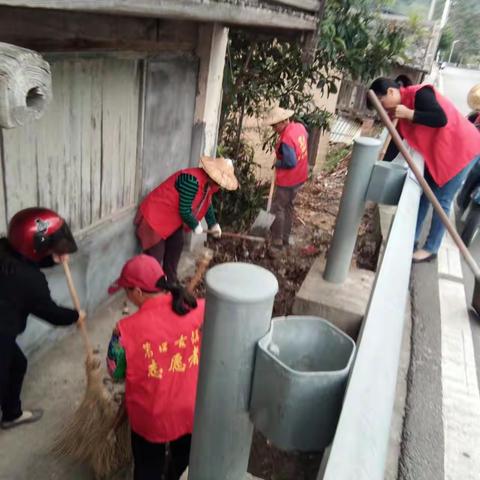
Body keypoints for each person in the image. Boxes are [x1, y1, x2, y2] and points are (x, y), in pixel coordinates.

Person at [106, 254, 204, 480]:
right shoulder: (194, 309)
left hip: (151, 416)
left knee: (148, 468)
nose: (127, 297)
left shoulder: (125, 331)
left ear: (138, 292)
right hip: (189, 409)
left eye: (127, 292)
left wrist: (115, 342)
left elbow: (116, 373)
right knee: (183, 462)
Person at [368, 77, 480, 263]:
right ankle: (410, 239)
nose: (383, 108)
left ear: (391, 92)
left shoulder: (419, 93)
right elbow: (396, 143)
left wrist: (410, 114)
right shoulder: (397, 112)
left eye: (381, 102)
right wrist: (380, 168)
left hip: (461, 148)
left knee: (441, 198)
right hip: (439, 154)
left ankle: (431, 249)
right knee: (424, 195)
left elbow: (440, 118)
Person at [0, 207, 83, 429]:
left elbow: (28, 259)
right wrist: (76, 315)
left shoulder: (5, 249)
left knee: (17, 364)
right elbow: (52, 313)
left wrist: (53, 258)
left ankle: (11, 413)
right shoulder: (29, 280)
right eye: (50, 246)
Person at [135, 156, 238, 283]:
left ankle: (170, 282)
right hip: (156, 216)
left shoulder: (208, 185)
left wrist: (213, 224)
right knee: (155, 257)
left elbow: (207, 203)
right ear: (212, 175)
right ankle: (149, 288)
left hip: (172, 220)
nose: (220, 185)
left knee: (176, 245)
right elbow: (184, 209)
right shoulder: (191, 180)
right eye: (219, 182)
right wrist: (195, 225)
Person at [265, 105, 309, 249]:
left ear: (284, 121)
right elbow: (305, 138)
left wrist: (278, 162)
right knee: (288, 206)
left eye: (274, 125)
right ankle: (286, 237)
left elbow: (290, 162)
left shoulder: (286, 139)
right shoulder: (299, 128)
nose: (273, 128)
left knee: (278, 208)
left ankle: (277, 240)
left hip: (289, 179)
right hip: (300, 176)